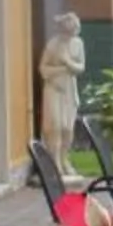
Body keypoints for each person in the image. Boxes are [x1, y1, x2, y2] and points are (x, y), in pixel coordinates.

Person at [39, 10, 86, 159]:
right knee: (55, 126)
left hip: (69, 89)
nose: (69, 36)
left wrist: (67, 62)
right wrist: (60, 70)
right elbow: (43, 68)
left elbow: (81, 67)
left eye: (72, 32)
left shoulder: (78, 44)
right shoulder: (53, 45)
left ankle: (65, 159)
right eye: (67, 32)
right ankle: (55, 160)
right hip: (54, 88)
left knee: (68, 128)